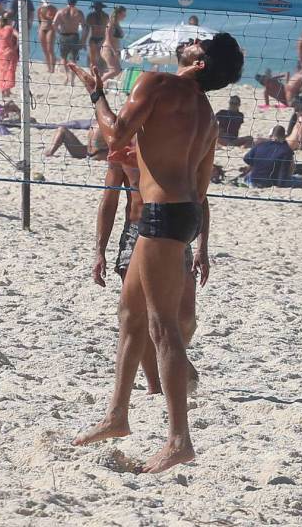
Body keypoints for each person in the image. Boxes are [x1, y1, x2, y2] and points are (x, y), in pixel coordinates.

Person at [68, 32, 244, 473]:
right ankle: (116, 416)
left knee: (162, 327)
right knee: (130, 315)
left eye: (197, 41)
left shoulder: (155, 82)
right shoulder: (207, 113)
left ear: (199, 62)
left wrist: (96, 94)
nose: (188, 40)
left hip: (162, 216)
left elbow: (112, 136)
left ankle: (179, 440)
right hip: (182, 214)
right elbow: (201, 186)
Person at [93, 141, 208, 397]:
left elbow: (200, 198)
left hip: (174, 228)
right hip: (136, 230)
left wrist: (203, 247)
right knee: (140, 316)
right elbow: (109, 200)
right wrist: (99, 250)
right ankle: (155, 385)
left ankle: (172, 354)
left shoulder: (177, 140)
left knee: (186, 317)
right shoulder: (123, 148)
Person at [54, 0, 85, 85]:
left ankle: (67, 76)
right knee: (73, 59)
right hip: (74, 36)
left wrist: (59, 32)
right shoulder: (79, 12)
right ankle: (72, 80)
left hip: (64, 35)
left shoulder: (61, 12)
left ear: (67, 2)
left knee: (63, 58)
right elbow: (84, 27)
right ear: (76, 2)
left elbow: (54, 24)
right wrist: (83, 39)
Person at [0, 13, 19, 96]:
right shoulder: (10, 28)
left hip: (0, 52)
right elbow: (19, 36)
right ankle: (7, 91)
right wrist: (15, 46)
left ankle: (3, 90)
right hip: (9, 50)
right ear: (8, 20)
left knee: (2, 71)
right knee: (10, 70)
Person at [100, 6, 127, 83]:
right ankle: (97, 84)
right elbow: (108, 40)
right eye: (123, 14)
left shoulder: (117, 24)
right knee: (115, 70)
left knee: (116, 70)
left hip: (114, 50)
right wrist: (114, 51)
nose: (125, 17)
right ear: (118, 14)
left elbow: (117, 38)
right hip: (108, 49)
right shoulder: (111, 24)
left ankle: (103, 83)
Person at [85, 1, 108, 70]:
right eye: (97, 8)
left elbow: (107, 28)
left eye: (98, 8)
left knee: (99, 55)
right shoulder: (90, 16)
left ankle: (101, 69)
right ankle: (94, 69)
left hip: (101, 38)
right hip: (94, 38)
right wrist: (83, 40)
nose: (97, 9)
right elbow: (87, 29)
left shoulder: (105, 16)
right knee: (93, 56)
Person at [37, 0, 57, 73]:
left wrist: (48, 15)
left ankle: (52, 68)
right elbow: (39, 20)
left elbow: (55, 19)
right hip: (42, 28)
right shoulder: (39, 9)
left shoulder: (53, 8)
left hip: (50, 29)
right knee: (44, 50)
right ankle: (48, 67)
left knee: (50, 49)